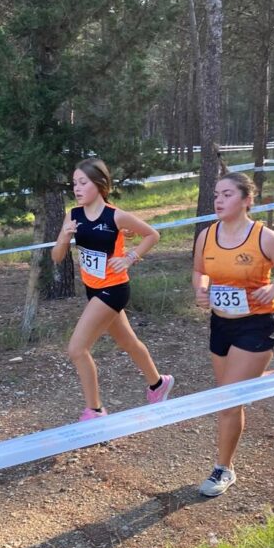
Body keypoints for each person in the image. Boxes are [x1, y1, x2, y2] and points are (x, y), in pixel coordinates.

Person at [191, 172, 274, 497]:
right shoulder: (207, 236)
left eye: (227, 194)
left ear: (246, 200)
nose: (218, 200)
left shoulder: (265, 238)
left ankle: (223, 469)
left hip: (256, 324)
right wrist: (201, 290)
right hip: (220, 323)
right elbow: (200, 271)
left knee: (228, 401)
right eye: (216, 194)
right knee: (230, 394)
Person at [52, 158, 175, 422]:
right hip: (92, 289)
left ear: (99, 184)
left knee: (77, 348)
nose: (77, 188)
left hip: (114, 289)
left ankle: (94, 411)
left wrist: (131, 257)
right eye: (74, 183)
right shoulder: (73, 215)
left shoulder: (116, 216)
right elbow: (57, 257)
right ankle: (158, 384)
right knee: (127, 341)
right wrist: (64, 237)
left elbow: (153, 235)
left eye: (83, 182)